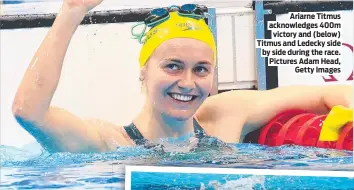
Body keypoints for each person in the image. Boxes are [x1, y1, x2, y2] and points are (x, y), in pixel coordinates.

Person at [12, 0, 352, 153]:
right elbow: (29, 111)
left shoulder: (225, 115)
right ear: (144, 71)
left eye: (201, 69)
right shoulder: (107, 142)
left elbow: (330, 94)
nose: (188, 83)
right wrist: (72, 11)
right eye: (172, 66)